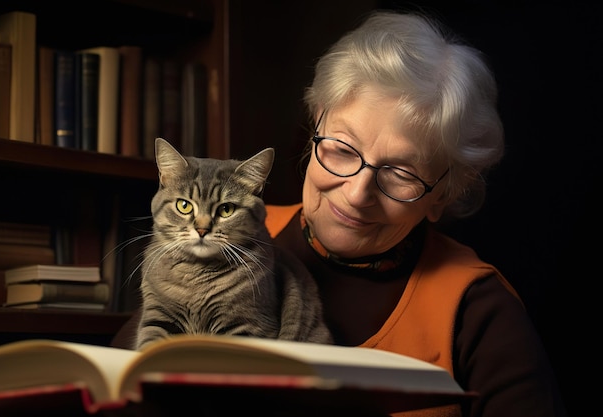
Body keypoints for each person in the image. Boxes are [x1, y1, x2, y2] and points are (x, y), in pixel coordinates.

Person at [113, 9, 566, 417]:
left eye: (400, 172)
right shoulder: (226, 241)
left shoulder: (478, 307)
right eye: (342, 149)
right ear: (315, 129)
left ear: (441, 197)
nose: (356, 193)